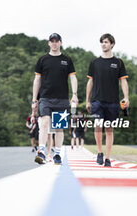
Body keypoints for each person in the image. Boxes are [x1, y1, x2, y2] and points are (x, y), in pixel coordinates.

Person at [31, 33, 78, 165]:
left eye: (57, 41)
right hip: (45, 97)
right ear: (49, 43)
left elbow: (73, 77)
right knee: (44, 123)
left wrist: (74, 94)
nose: (54, 43)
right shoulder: (42, 60)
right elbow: (37, 80)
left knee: (59, 128)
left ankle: (57, 154)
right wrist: (34, 99)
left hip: (62, 98)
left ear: (61, 43)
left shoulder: (67, 60)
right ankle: (41, 152)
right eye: (52, 41)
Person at [86, 34, 129, 167]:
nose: (103, 44)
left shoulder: (119, 63)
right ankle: (99, 152)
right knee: (98, 126)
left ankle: (108, 158)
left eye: (106, 42)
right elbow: (90, 81)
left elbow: (123, 81)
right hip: (97, 100)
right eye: (102, 42)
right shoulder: (94, 62)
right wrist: (87, 100)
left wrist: (126, 97)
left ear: (112, 44)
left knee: (109, 129)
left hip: (113, 101)